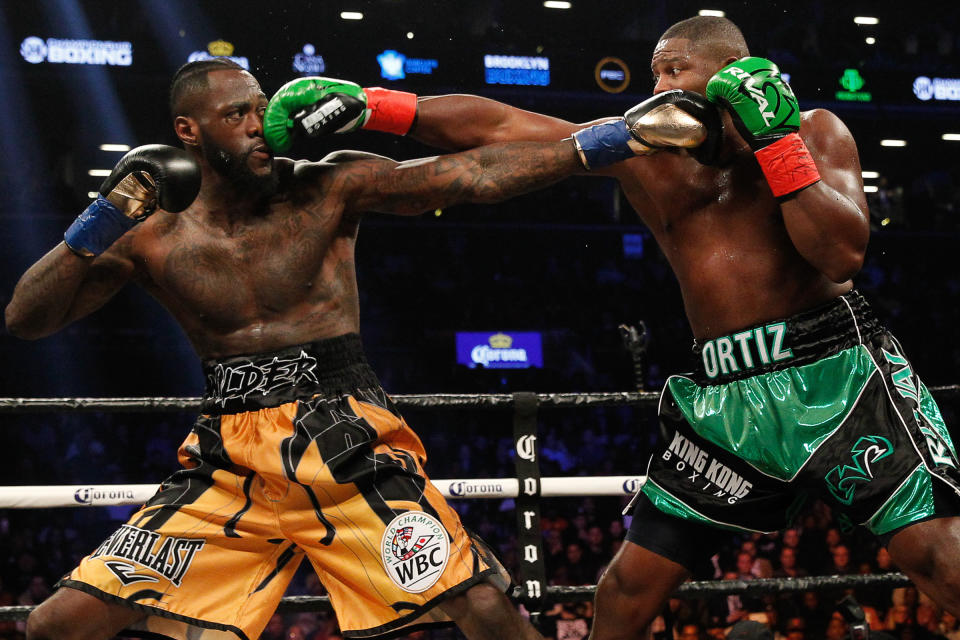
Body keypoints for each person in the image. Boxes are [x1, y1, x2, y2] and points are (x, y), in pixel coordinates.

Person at [263, 14, 960, 640]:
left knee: (936, 556)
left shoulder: (813, 130)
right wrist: (373, 105)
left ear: (727, 73)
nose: (657, 83)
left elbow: (842, 252)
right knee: (624, 593)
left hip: (833, 369)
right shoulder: (640, 151)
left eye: (674, 68)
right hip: (726, 398)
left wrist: (774, 143)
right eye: (654, 70)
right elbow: (499, 127)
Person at [6, 59, 716, 640]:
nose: (259, 125)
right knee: (56, 624)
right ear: (188, 131)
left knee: (484, 606)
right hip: (227, 462)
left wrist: (606, 142)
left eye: (259, 107)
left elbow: (471, 176)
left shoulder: (327, 184)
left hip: (344, 436)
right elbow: (27, 318)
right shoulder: (150, 230)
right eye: (236, 116)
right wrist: (100, 219)